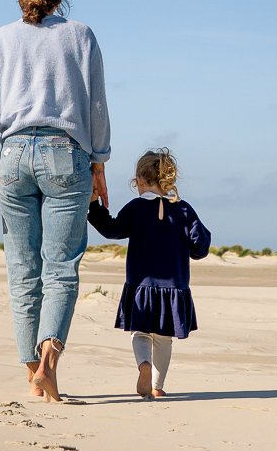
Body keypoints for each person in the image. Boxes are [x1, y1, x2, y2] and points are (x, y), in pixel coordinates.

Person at [0, 0, 111, 403]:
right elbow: (97, 108)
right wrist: (100, 164)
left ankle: (35, 375)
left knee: (22, 271)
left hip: (11, 157)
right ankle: (48, 363)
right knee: (61, 267)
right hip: (67, 155)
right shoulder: (80, 35)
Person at [87, 147, 210, 398]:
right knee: (163, 339)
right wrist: (191, 249)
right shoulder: (184, 210)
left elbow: (111, 229)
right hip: (173, 288)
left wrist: (94, 204)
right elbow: (201, 245)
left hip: (140, 285)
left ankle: (143, 365)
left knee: (140, 333)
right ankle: (157, 386)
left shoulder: (136, 208)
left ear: (140, 181)